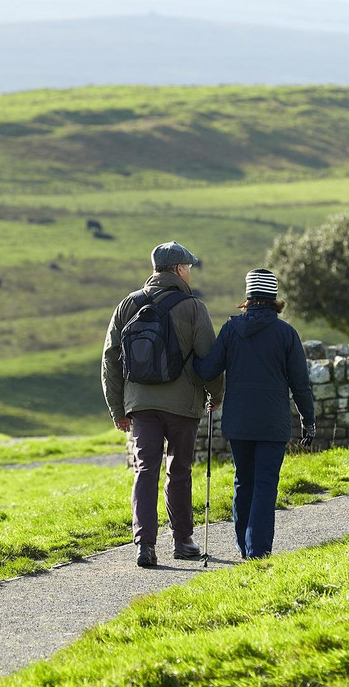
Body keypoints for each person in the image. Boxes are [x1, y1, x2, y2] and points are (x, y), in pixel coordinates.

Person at [102, 241, 224, 568]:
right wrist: (216, 394)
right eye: (189, 267)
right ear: (179, 269)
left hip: (140, 405)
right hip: (182, 405)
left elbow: (110, 360)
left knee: (145, 471)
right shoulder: (194, 307)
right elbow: (208, 359)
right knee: (179, 470)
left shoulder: (127, 305)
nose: (190, 272)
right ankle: (183, 541)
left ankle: (145, 546)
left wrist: (119, 409)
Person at [193, 268, 315, 560]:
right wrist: (308, 420)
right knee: (264, 484)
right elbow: (300, 383)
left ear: (248, 297)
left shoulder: (231, 329)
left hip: (239, 422)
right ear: (274, 298)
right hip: (273, 423)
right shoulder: (286, 333)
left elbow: (208, 370)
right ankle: (258, 550)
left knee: (243, 481)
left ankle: (243, 544)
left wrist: (189, 355)